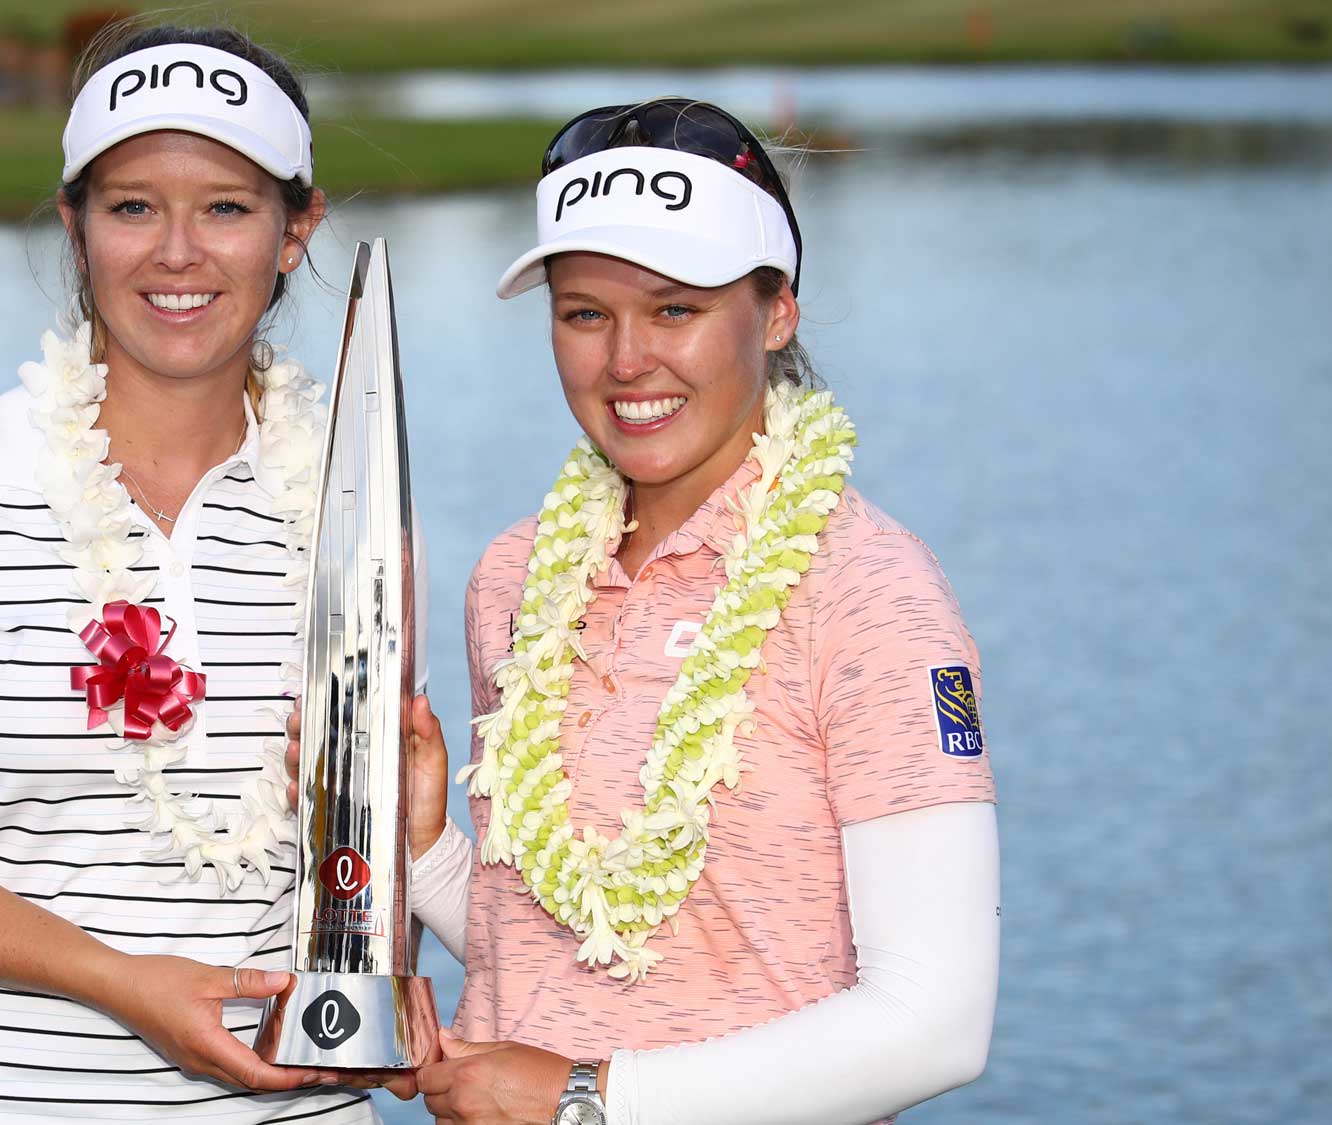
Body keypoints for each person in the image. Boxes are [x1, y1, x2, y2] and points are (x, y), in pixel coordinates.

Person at [0, 23, 381, 1123]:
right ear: (74, 226)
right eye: (130, 207)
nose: (176, 252)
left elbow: (354, 873)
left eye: (225, 206)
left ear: (294, 228)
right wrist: (123, 985)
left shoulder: (346, 492)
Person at [395, 99, 1001, 1124]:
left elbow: (933, 1022)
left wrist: (589, 1099)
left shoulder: (869, 590)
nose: (624, 361)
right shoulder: (514, 576)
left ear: (774, 313)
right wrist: (423, 855)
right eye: (583, 312)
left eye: (674, 309)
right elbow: (584, 944)